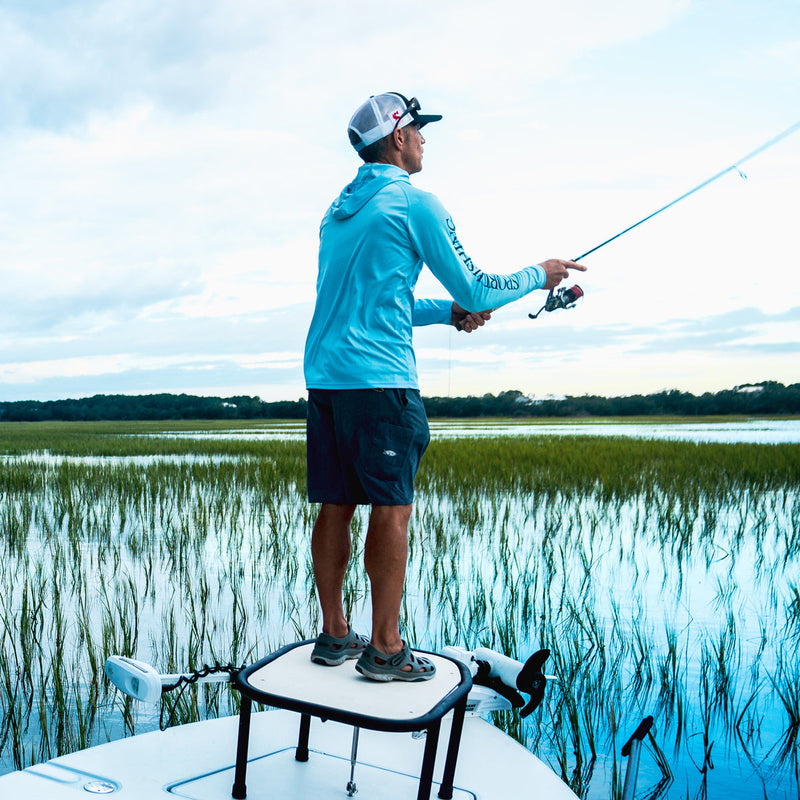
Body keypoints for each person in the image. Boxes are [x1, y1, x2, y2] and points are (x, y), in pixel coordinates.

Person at [303, 92, 585, 682]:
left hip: (327, 380)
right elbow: (481, 288)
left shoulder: (338, 213)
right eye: (420, 131)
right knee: (392, 507)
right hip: (382, 385)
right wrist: (542, 274)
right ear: (398, 137)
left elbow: (382, 302)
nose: (426, 140)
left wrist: (446, 313)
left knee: (335, 503)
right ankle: (384, 648)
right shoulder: (414, 204)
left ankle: (334, 635)